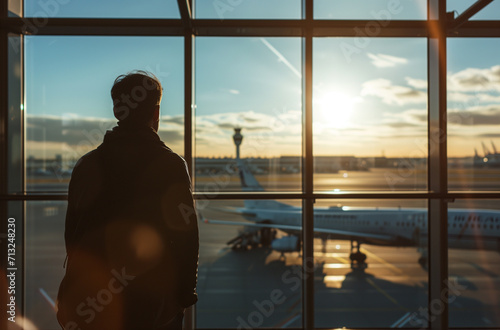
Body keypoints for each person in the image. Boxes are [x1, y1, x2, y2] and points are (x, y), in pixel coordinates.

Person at [57, 71, 199, 330]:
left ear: (116, 111)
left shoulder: (86, 165)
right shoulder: (171, 165)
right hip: (152, 303)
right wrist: (183, 296)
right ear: (156, 114)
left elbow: (73, 237)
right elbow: (186, 239)